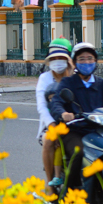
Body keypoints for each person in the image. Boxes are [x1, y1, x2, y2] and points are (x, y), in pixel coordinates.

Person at [48, 42, 103, 189]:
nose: (86, 62)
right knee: (79, 153)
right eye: (82, 59)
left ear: (95, 61)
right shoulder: (68, 82)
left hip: (100, 130)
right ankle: (72, 197)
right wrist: (63, 114)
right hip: (75, 131)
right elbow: (56, 103)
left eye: (90, 58)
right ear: (75, 62)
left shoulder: (102, 84)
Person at [36, 38, 74, 190]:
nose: (58, 61)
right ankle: (51, 183)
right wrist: (52, 127)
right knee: (48, 140)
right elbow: (42, 107)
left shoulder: (75, 76)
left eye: (62, 58)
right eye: (54, 58)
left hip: (74, 122)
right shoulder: (44, 79)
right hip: (51, 123)